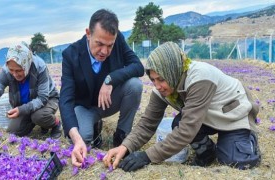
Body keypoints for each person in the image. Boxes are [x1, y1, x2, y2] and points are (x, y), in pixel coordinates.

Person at [104, 41, 261, 171]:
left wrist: (147, 156)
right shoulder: (162, 89)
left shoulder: (199, 78)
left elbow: (187, 130)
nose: (157, 86)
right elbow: (147, 124)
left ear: (172, 71)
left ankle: (248, 139)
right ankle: (207, 154)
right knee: (178, 122)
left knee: (236, 162)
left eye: (161, 79)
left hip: (232, 114)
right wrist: (125, 147)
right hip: (206, 115)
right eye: (153, 80)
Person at [59, 9, 144, 167]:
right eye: (99, 44)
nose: (104, 51)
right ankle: (93, 127)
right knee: (82, 140)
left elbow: (138, 67)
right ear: (88, 34)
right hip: (85, 106)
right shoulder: (70, 55)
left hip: (109, 101)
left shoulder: (118, 40)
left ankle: (121, 136)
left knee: (135, 85)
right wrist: (76, 139)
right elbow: (65, 100)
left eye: (109, 45)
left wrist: (110, 79)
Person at [0, 42, 61, 151]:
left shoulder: (39, 67)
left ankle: (55, 123)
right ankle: (39, 122)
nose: (14, 74)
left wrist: (22, 110)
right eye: (11, 70)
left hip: (48, 99)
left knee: (38, 116)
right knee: (14, 131)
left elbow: (43, 98)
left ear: (27, 64)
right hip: (25, 104)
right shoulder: (6, 71)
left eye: (19, 70)